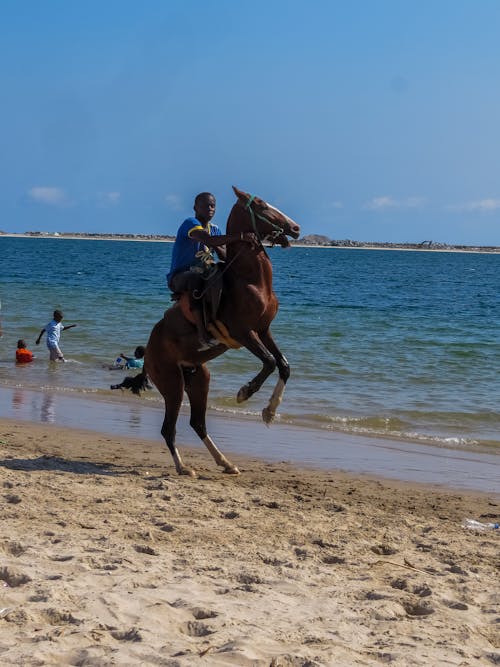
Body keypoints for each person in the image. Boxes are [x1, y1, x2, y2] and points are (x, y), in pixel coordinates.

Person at [166, 192, 253, 351]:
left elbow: (223, 254)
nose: (210, 209)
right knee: (195, 278)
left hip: (205, 273)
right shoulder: (190, 223)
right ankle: (202, 333)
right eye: (206, 205)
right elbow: (208, 240)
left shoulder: (215, 229)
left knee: (225, 273)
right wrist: (239, 236)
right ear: (195, 208)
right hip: (180, 277)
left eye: (213, 205)